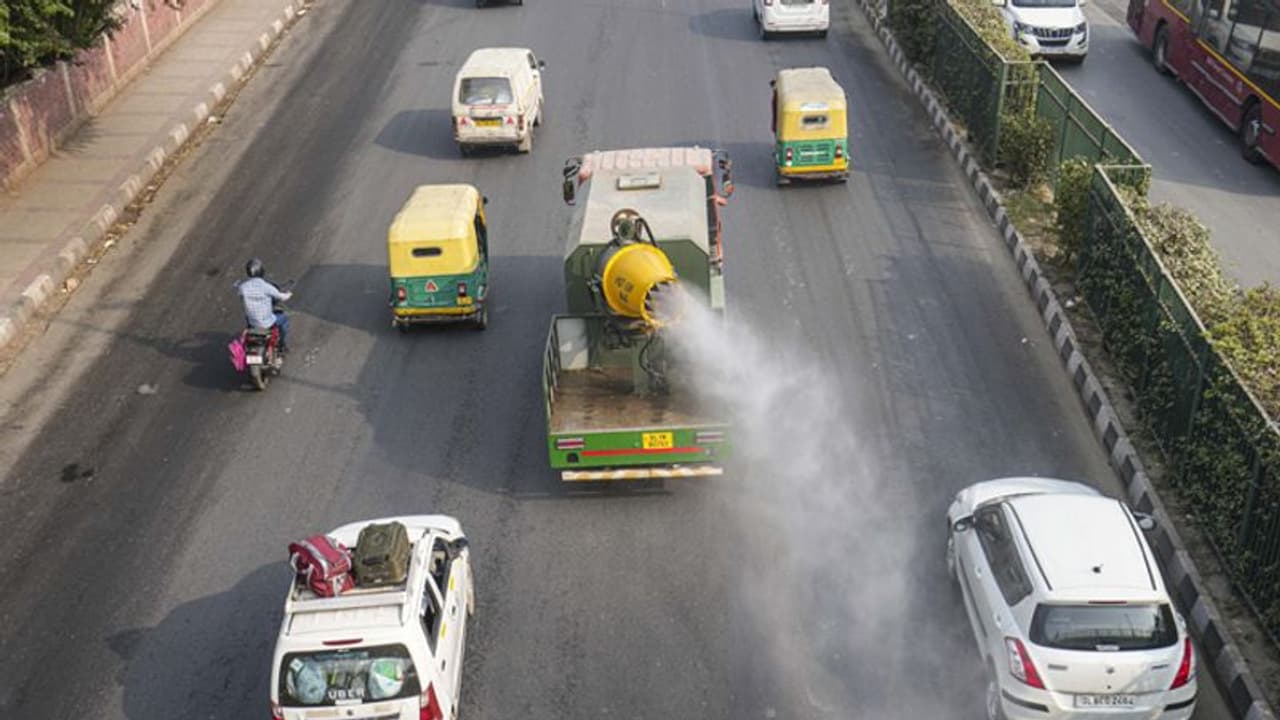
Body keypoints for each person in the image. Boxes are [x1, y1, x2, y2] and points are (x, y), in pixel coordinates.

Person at [237, 258, 292, 352]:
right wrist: (289, 294)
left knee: (247, 316)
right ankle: (282, 344)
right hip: (267, 323)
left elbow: (240, 294)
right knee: (284, 319)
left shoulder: (243, 287)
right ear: (261, 271)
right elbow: (281, 297)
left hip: (252, 323)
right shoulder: (266, 287)